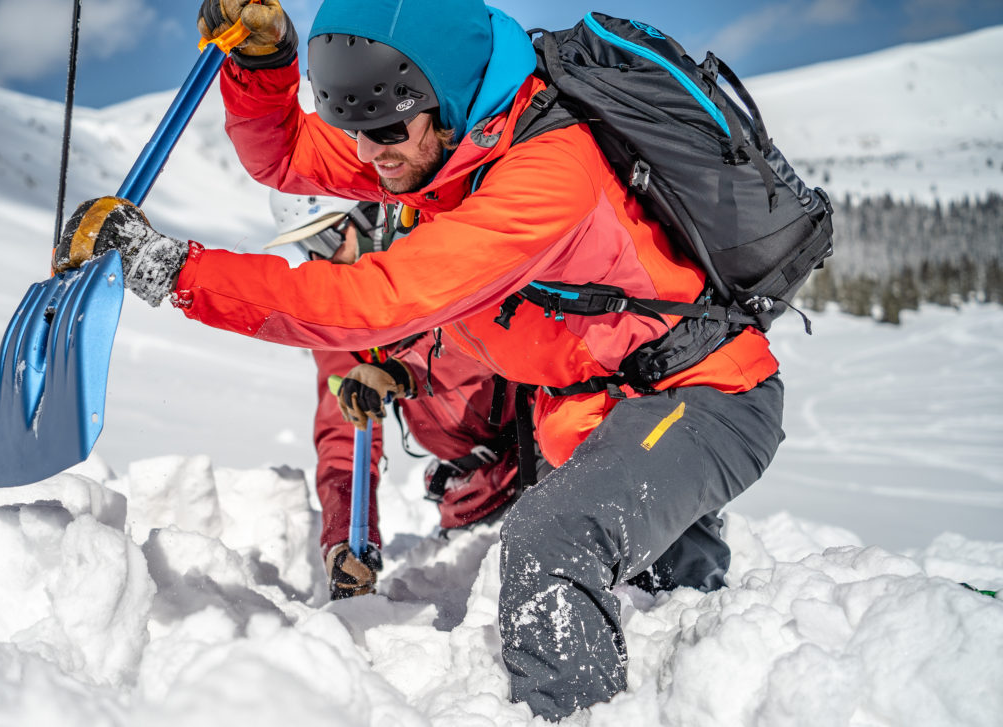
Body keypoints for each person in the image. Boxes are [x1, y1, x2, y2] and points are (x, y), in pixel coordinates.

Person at [54, 0, 784, 719]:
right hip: (606, 410)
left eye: (387, 130)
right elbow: (285, 156)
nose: (370, 154)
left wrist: (173, 268)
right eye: (357, 130)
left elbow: (373, 301)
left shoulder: (545, 177)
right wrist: (262, 64)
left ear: (448, 99)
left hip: (703, 397)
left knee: (554, 537)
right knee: (668, 593)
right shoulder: (438, 147)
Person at [265, 190, 525, 600]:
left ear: (372, 221)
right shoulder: (342, 324)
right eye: (307, 248)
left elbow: (493, 340)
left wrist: (402, 370)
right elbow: (343, 439)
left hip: (551, 446)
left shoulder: (449, 254)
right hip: (480, 487)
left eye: (327, 241)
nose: (320, 262)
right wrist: (346, 540)